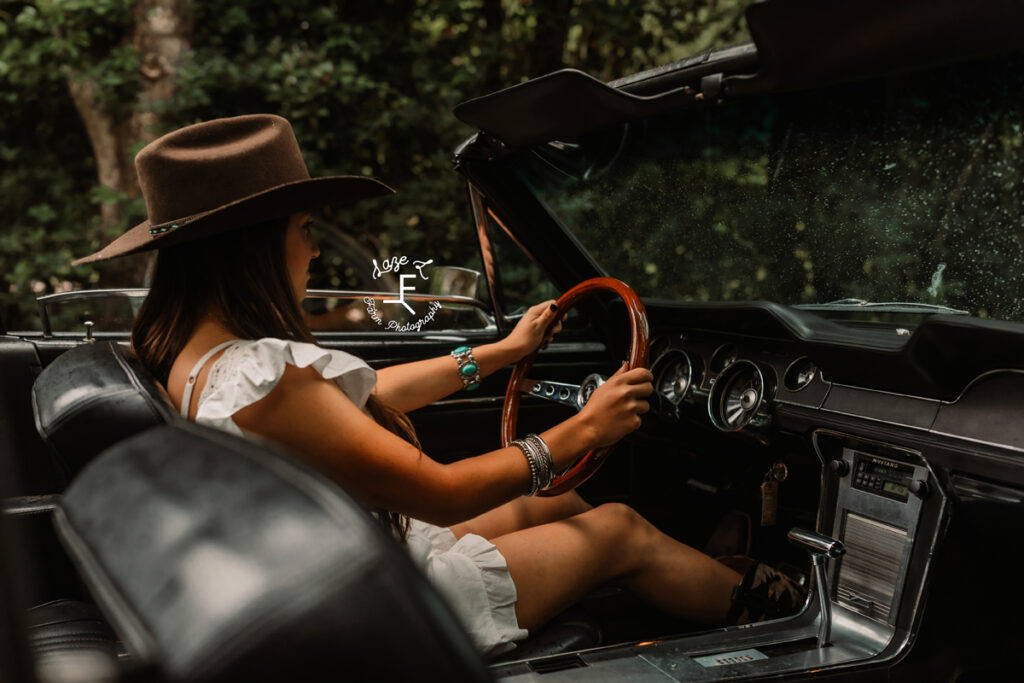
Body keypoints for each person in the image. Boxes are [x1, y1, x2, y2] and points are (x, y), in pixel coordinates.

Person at [74, 114, 804, 654]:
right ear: (251, 248)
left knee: (566, 500)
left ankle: (713, 573)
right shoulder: (260, 375)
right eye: (302, 227)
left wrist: (498, 352)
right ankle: (774, 609)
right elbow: (438, 490)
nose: (311, 246)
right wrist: (581, 428)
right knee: (616, 529)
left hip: (354, 561)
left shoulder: (188, 354)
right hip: (391, 611)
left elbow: (373, 396)